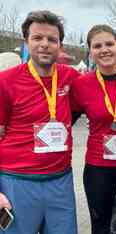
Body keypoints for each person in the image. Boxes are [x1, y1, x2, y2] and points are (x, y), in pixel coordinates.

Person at [0, 10, 80, 234]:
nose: (45, 44)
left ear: (60, 45)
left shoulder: (71, 77)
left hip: (60, 181)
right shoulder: (5, 81)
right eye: (37, 38)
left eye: (52, 39)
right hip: (17, 182)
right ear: (26, 42)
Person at [70, 24, 116, 234]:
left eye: (110, 44)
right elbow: (66, 117)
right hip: (98, 167)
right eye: (97, 45)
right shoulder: (81, 84)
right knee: (100, 225)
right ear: (90, 52)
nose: (104, 49)